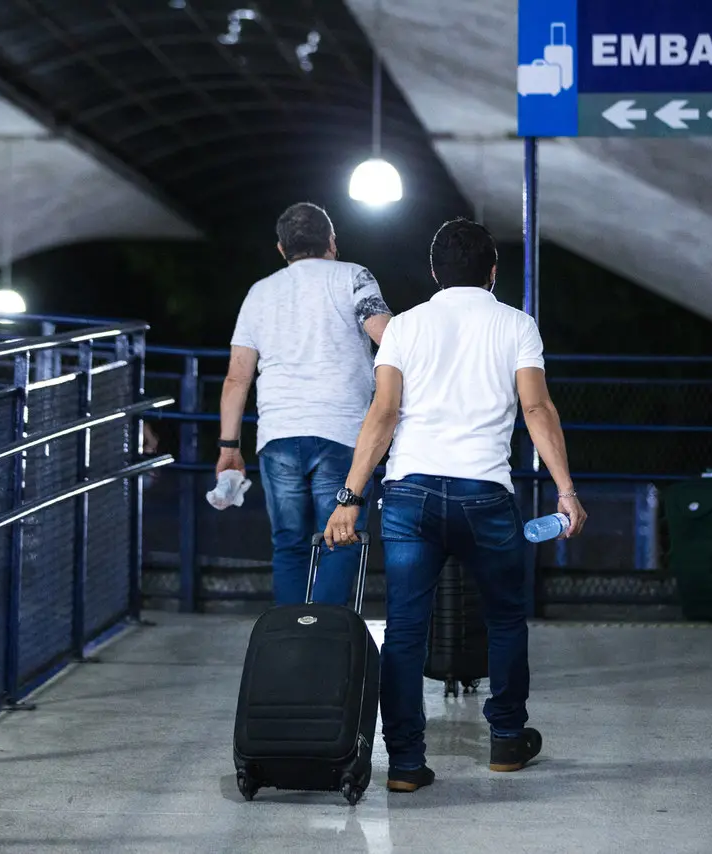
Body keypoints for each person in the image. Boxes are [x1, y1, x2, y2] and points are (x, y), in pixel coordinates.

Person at [324, 218, 586, 793]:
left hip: (411, 495)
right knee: (505, 620)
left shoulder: (406, 327)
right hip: (485, 495)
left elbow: (383, 415)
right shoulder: (517, 325)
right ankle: (507, 741)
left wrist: (349, 496)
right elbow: (538, 411)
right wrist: (565, 489)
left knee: (407, 628)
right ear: (493, 272)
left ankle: (408, 765)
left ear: (435, 272)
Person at [217, 202, 392, 606]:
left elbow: (237, 376)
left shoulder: (260, 292)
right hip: (342, 433)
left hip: (278, 436)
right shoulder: (353, 277)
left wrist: (229, 447)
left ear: (282, 249)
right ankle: (325, 645)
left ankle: (290, 648)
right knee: (340, 539)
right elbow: (387, 335)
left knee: (289, 547)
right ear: (331, 241)